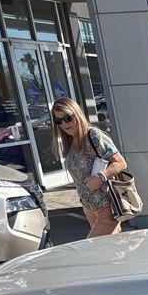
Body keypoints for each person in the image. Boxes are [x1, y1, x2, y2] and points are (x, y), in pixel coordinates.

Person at [51, 97, 128, 239]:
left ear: (77, 114)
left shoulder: (93, 135)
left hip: (107, 206)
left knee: (94, 249)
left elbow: (120, 163)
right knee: (112, 251)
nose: (64, 124)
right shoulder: (71, 142)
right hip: (89, 207)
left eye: (68, 118)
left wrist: (100, 177)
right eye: (58, 120)